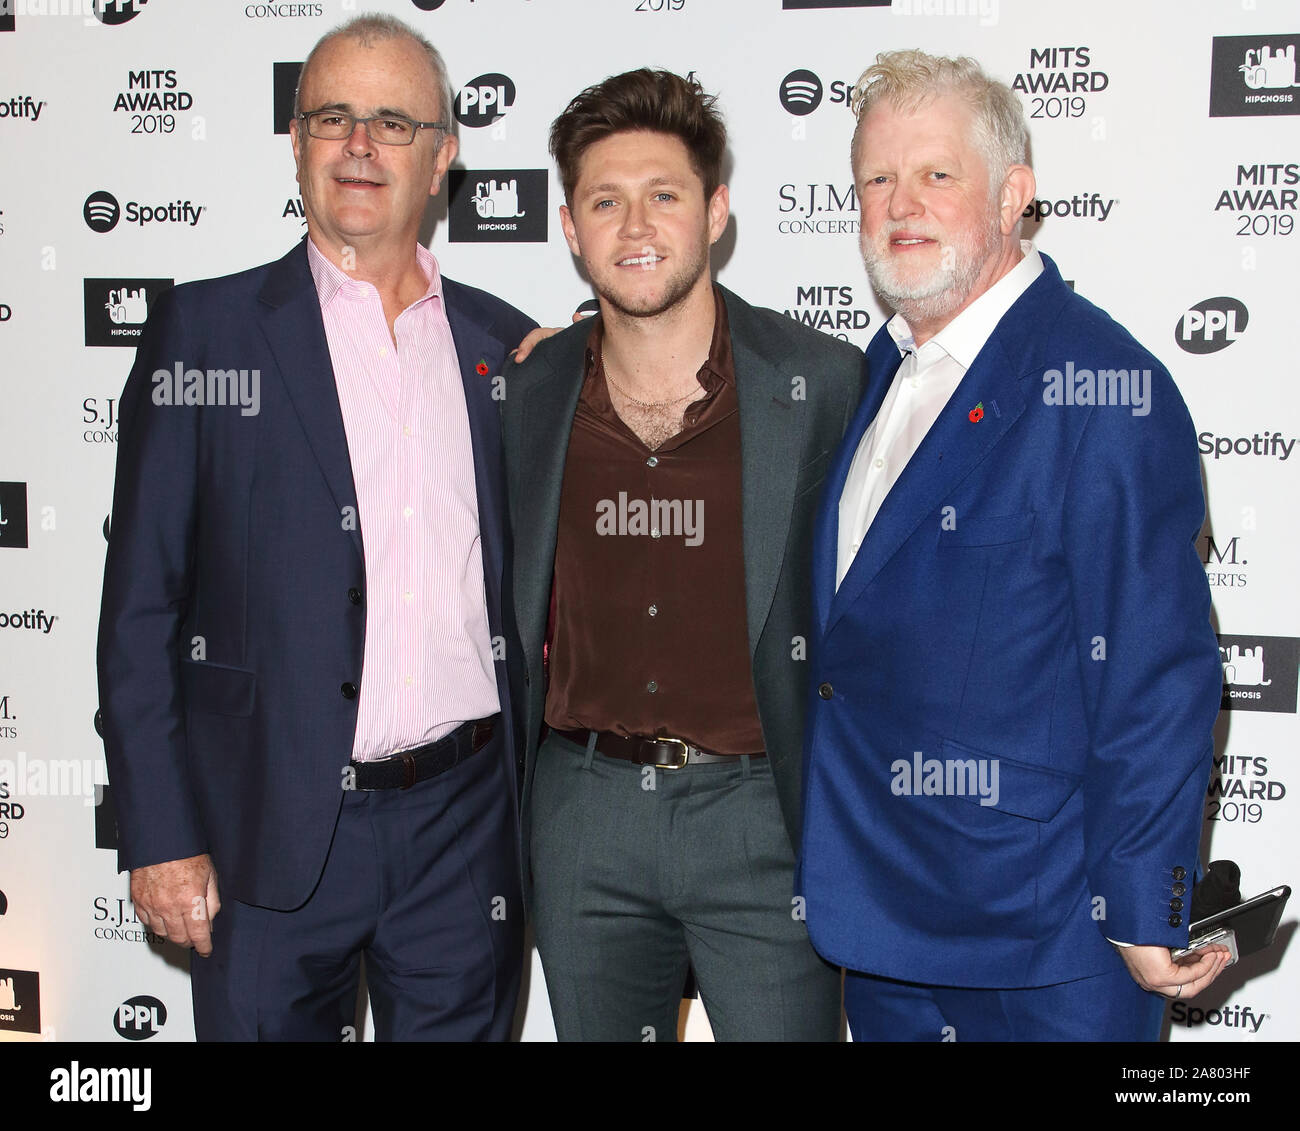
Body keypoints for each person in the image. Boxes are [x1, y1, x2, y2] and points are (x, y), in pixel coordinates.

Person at [96, 14, 536, 1041]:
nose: (357, 145)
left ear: (442, 156)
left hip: (463, 832)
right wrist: (158, 833)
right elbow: (141, 608)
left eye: (391, 121)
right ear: (296, 141)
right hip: (263, 833)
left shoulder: (505, 349)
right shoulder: (203, 335)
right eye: (331, 116)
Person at [798, 49, 1230, 1041]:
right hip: (880, 924)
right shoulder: (867, 376)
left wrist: (1145, 900)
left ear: (1013, 197)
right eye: (876, 179)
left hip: (1046, 947)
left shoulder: (1100, 384)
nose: (900, 202)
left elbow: (1157, 669)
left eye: (935, 175)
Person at [501, 69, 864, 1042]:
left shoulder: (820, 383)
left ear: (715, 212)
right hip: (582, 810)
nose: (633, 226)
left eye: (662, 195)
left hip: (763, 813)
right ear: (570, 228)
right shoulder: (527, 397)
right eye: (603, 201)